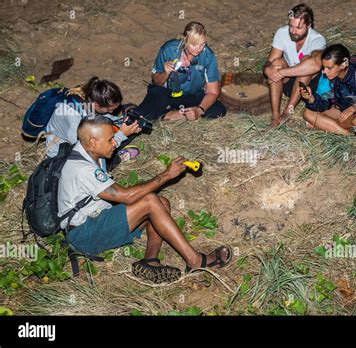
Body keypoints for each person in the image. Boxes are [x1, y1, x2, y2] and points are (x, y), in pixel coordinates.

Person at [57, 116, 232, 283]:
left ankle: (150, 260)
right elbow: (126, 196)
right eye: (110, 140)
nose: (114, 143)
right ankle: (194, 261)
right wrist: (166, 175)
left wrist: (127, 131)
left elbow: (125, 194)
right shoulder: (82, 168)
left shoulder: (88, 151)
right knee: (150, 201)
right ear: (93, 142)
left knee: (161, 203)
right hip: (83, 235)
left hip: (95, 221)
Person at [135, 21, 226, 121]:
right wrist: (166, 73)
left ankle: (169, 113)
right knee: (144, 113)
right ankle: (173, 114)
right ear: (185, 40)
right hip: (167, 93)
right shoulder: (169, 49)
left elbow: (213, 92)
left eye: (202, 44)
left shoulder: (208, 56)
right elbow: (157, 81)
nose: (199, 49)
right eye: (194, 44)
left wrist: (199, 110)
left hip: (192, 95)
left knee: (218, 110)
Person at [45, 77, 142, 169]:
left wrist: (124, 121)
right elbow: (86, 150)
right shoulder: (72, 117)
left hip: (78, 142)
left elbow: (99, 117)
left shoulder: (88, 98)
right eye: (109, 109)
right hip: (60, 158)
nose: (111, 112)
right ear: (96, 104)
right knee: (97, 165)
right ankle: (118, 159)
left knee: (130, 130)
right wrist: (121, 135)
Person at [263, 3, 326, 127]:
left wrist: (281, 73)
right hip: (288, 82)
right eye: (291, 26)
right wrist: (268, 70)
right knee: (276, 63)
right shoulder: (282, 33)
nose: (293, 31)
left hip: (306, 86)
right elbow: (270, 61)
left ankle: (288, 111)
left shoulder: (317, 39)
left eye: (298, 28)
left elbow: (316, 66)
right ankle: (275, 115)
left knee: (307, 63)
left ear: (309, 25)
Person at [300, 44, 356, 135]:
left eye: (329, 68)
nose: (324, 71)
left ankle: (338, 125)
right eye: (324, 67)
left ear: (343, 64)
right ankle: (345, 133)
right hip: (342, 110)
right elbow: (323, 104)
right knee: (308, 113)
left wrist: (354, 107)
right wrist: (311, 99)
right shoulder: (326, 78)